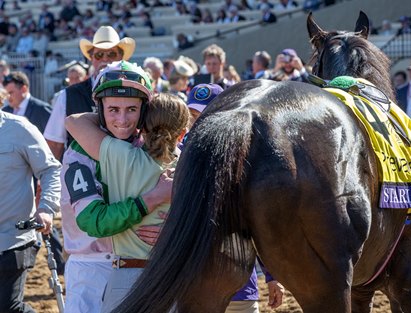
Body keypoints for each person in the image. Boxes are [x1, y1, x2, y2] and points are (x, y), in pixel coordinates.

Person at [65, 81, 189, 312]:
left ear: (142, 125)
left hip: (127, 273)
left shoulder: (123, 156)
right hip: (173, 275)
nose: (122, 120)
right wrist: (175, 231)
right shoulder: (188, 168)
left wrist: (104, 115)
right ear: (182, 133)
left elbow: (74, 121)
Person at [186, 83, 285, 313]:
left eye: (207, 115)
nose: (198, 122)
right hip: (192, 287)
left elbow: (258, 224)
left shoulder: (246, 162)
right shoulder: (177, 156)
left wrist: (271, 276)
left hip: (238, 283)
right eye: (193, 115)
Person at [0, 107, 61, 313]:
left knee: (8, 308)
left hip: (11, 239)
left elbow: (50, 169)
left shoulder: (19, 128)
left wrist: (46, 208)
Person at [44, 25, 135, 160]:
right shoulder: (68, 95)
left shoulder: (135, 92)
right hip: (81, 177)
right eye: (99, 54)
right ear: (91, 58)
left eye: (111, 54)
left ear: (121, 58)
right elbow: (54, 144)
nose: (105, 59)